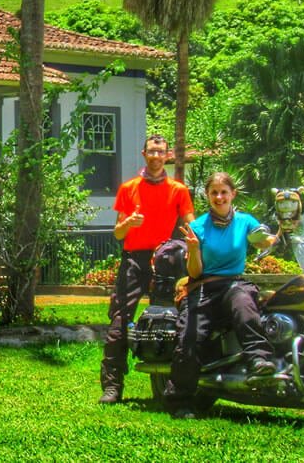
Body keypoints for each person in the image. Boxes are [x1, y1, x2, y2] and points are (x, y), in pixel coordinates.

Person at [162, 171, 277, 419]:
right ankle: (180, 401)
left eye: (224, 192)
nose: (219, 197)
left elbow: (263, 241)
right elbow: (195, 271)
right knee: (189, 336)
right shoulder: (198, 227)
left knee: (245, 304)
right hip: (203, 285)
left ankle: (258, 360)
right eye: (214, 192)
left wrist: (277, 236)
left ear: (232, 194)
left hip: (233, 284)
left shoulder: (245, 222)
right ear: (208, 195)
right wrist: (193, 250)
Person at [99, 134, 195, 404]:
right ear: (144, 154)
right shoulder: (129, 188)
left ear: (167, 156)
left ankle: (168, 383)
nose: (155, 156)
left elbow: (192, 224)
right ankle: (112, 386)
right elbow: (118, 233)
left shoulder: (178, 190)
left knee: (172, 320)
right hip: (134, 260)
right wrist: (129, 221)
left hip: (167, 260)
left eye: (160, 152)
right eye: (151, 152)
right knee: (119, 321)